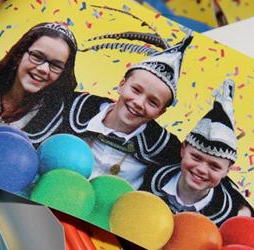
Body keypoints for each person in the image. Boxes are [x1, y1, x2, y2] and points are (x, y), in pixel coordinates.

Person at [65, 36, 192, 188]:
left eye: (153, 102)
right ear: (122, 84)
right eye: (136, 90)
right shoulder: (73, 107)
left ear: (160, 113)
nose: (138, 103)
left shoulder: (166, 149)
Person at [141, 79, 253, 225]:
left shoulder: (231, 216)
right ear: (183, 149)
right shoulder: (152, 172)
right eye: (196, 157)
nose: (201, 169)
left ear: (227, 170)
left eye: (214, 166)